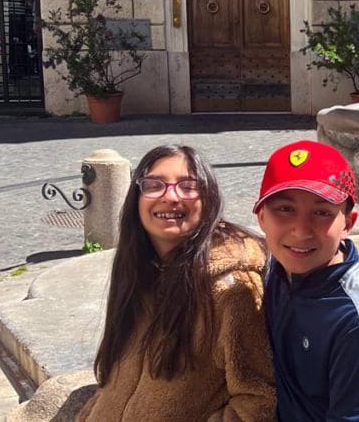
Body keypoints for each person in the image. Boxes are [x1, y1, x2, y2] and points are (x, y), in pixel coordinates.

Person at [78, 145, 274, 421]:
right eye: (154, 185)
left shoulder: (232, 289)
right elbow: (115, 384)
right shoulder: (139, 272)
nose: (170, 196)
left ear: (208, 199)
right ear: (136, 197)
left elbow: (259, 401)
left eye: (188, 186)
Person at [254, 140, 359, 421]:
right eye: (285, 209)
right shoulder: (277, 269)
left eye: (322, 213)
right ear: (261, 218)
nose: (300, 231)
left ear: (348, 223)